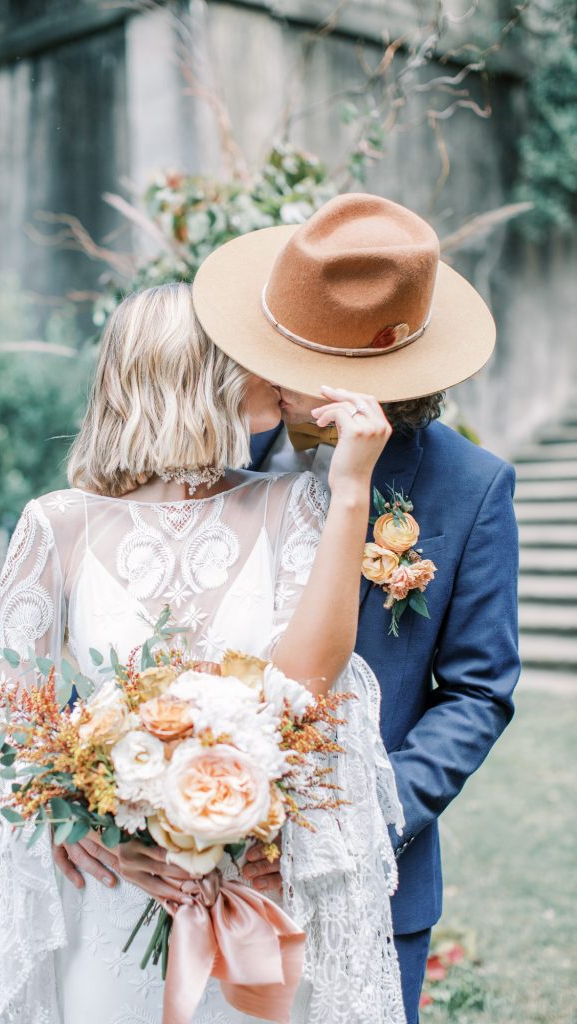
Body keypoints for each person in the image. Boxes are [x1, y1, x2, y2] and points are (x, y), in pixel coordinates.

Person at [0, 282, 406, 1024]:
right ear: (201, 372)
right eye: (251, 353)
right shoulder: (56, 526)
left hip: (257, 894)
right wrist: (85, 828)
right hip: (114, 899)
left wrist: (351, 487)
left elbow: (310, 684)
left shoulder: (293, 504)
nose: (276, 368)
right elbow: (4, 731)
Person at [191, 192, 522, 1022]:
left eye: (293, 357)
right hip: (203, 867)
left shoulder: (472, 488)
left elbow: (478, 691)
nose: (266, 369)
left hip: (374, 886)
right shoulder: (217, 450)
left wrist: (361, 825)